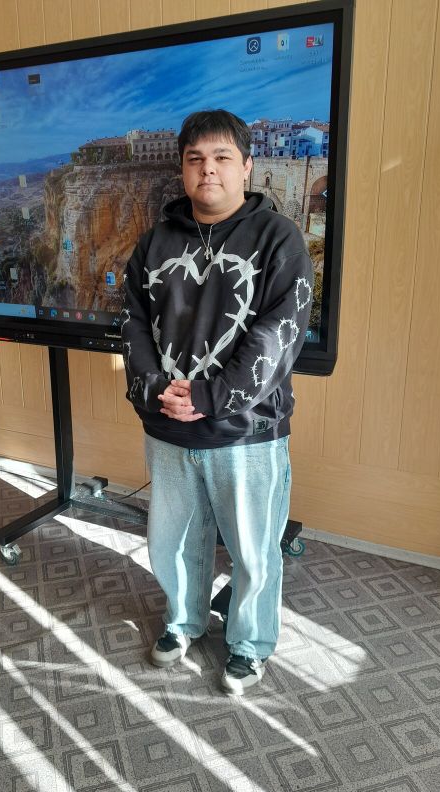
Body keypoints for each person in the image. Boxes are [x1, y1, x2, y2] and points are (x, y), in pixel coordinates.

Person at [121, 109, 313, 694]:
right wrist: (155, 389)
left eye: (222, 157)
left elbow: (279, 335)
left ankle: (249, 645)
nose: (209, 169)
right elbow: (131, 323)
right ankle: (183, 622)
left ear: (247, 166)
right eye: (196, 159)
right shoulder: (154, 244)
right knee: (172, 543)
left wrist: (210, 396)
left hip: (247, 432)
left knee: (253, 551)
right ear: (183, 168)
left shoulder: (279, 239)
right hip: (168, 425)